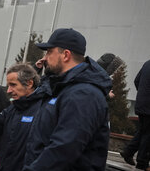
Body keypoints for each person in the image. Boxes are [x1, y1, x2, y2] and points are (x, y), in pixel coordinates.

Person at [23, 28, 112, 171]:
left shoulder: (83, 94)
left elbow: (64, 149)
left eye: (49, 52)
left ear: (66, 55)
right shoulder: (62, 88)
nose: (45, 58)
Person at [120, 59, 150, 171]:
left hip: (141, 103)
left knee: (143, 131)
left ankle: (128, 152)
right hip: (148, 107)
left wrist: (143, 93)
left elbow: (137, 80)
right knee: (148, 134)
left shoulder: (147, 63)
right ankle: (142, 162)